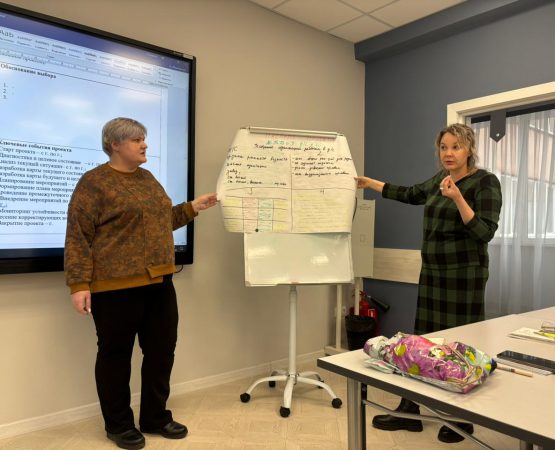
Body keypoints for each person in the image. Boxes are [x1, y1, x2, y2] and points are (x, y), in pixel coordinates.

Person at [64, 117, 217, 450]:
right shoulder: (94, 182)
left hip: (159, 280)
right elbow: (78, 236)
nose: (144, 144)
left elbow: (162, 221)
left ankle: (155, 417)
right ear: (115, 144)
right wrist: (79, 284)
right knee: (115, 356)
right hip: (114, 287)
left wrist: (193, 207)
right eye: (136, 139)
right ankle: (119, 425)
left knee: (162, 351)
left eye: (143, 138)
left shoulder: (147, 178)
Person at [355, 123, 502, 444]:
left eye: (456, 147)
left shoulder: (485, 181)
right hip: (433, 274)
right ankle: (410, 410)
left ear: (469, 149)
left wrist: (458, 198)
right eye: (443, 147)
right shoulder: (440, 179)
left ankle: (461, 419)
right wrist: (370, 183)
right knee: (423, 343)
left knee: (459, 346)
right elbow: (410, 194)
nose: (448, 153)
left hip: (464, 277)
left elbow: (485, 232)